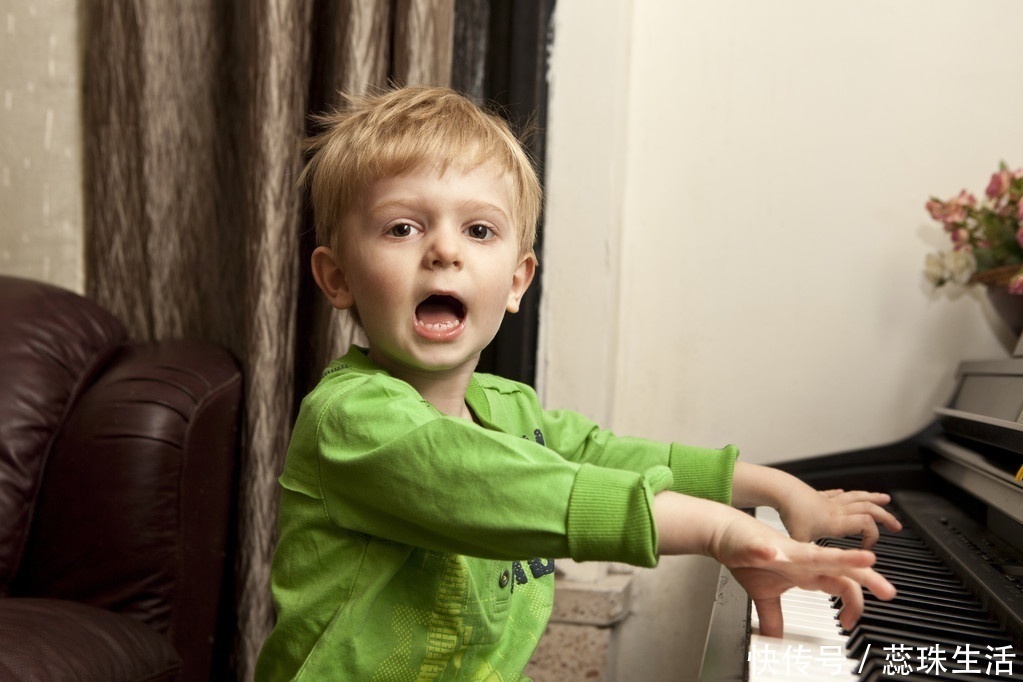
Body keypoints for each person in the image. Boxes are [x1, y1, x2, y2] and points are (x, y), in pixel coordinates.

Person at [254, 86, 899, 681]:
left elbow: (605, 457)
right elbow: (505, 485)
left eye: (479, 230)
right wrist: (719, 532)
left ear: (516, 281)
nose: (444, 251)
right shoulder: (352, 420)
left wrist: (776, 489)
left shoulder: (508, 408)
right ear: (337, 278)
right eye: (403, 227)